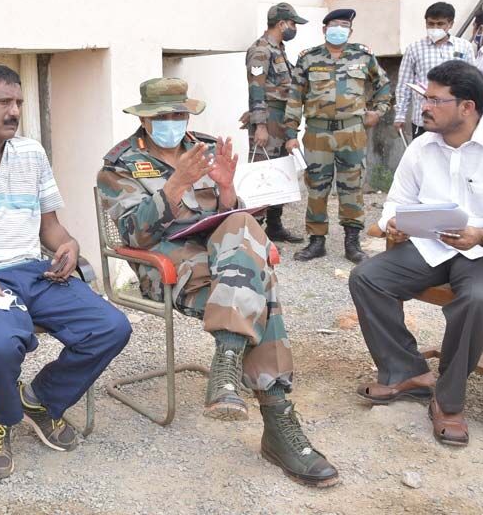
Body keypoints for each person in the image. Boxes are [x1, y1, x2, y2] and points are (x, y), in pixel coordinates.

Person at [97, 77, 339, 488]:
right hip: (170, 268)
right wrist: (175, 184)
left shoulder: (206, 148)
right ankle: (278, 422)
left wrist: (227, 191)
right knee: (260, 289)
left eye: (180, 113)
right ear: (146, 119)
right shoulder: (119, 165)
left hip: (225, 259)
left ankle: (228, 362)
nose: (173, 121)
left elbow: (235, 221)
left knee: (242, 224)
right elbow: (135, 236)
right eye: (163, 115)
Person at [0, 64, 131, 480]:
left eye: (18, 102)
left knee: (110, 326)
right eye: (3, 102)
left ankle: (40, 400)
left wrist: (69, 245)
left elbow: (50, 228)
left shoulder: (31, 153)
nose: (14, 111)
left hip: (35, 272)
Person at [349, 61, 483, 447]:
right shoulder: (421, 147)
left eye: (435, 100)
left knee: (477, 299)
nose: (425, 107)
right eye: (424, 97)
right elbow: (397, 201)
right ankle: (407, 372)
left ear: (467, 107)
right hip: (432, 247)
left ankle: (448, 400)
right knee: (367, 277)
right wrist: (393, 222)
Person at [283, 8, 392, 263]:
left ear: (350, 31)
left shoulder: (363, 56)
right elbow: (295, 96)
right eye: (334, 25)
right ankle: (316, 241)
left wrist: (378, 111)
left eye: (344, 26)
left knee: (352, 186)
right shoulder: (308, 58)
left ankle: (352, 242)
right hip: (317, 132)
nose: (338, 30)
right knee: (316, 186)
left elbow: (383, 85)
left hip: (351, 131)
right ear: (324, 29)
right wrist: (291, 133)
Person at [243, 2, 309, 245]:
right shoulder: (260, 50)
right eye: (292, 24)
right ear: (281, 24)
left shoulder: (279, 49)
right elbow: (256, 88)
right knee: (263, 175)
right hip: (268, 120)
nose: (294, 28)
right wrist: (260, 125)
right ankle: (254, 233)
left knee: (280, 173)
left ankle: (274, 226)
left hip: (281, 119)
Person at [394, 1, 477, 138]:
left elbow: (472, 81)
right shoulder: (414, 49)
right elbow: (404, 84)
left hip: (455, 119)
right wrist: (400, 116)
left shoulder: (464, 47)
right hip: (424, 118)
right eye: (431, 24)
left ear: (450, 24)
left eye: (440, 24)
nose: (434, 28)